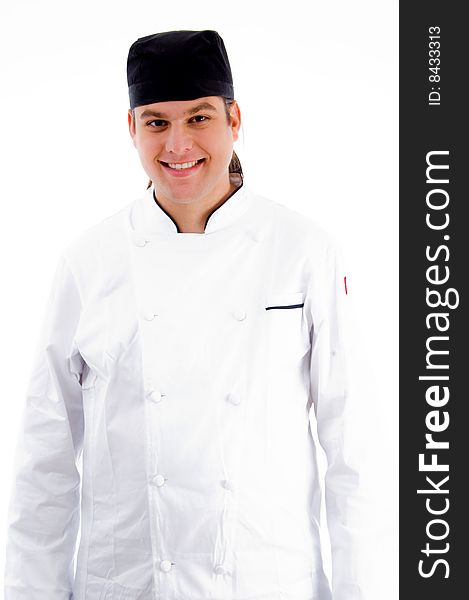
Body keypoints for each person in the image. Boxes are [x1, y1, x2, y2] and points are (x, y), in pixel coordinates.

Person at [4, 30, 373, 600]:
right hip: (126, 584)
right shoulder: (89, 261)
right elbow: (44, 461)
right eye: (156, 122)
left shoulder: (304, 251)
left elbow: (355, 451)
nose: (177, 144)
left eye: (198, 118)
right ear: (132, 129)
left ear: (234, 119)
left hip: (270, 585)